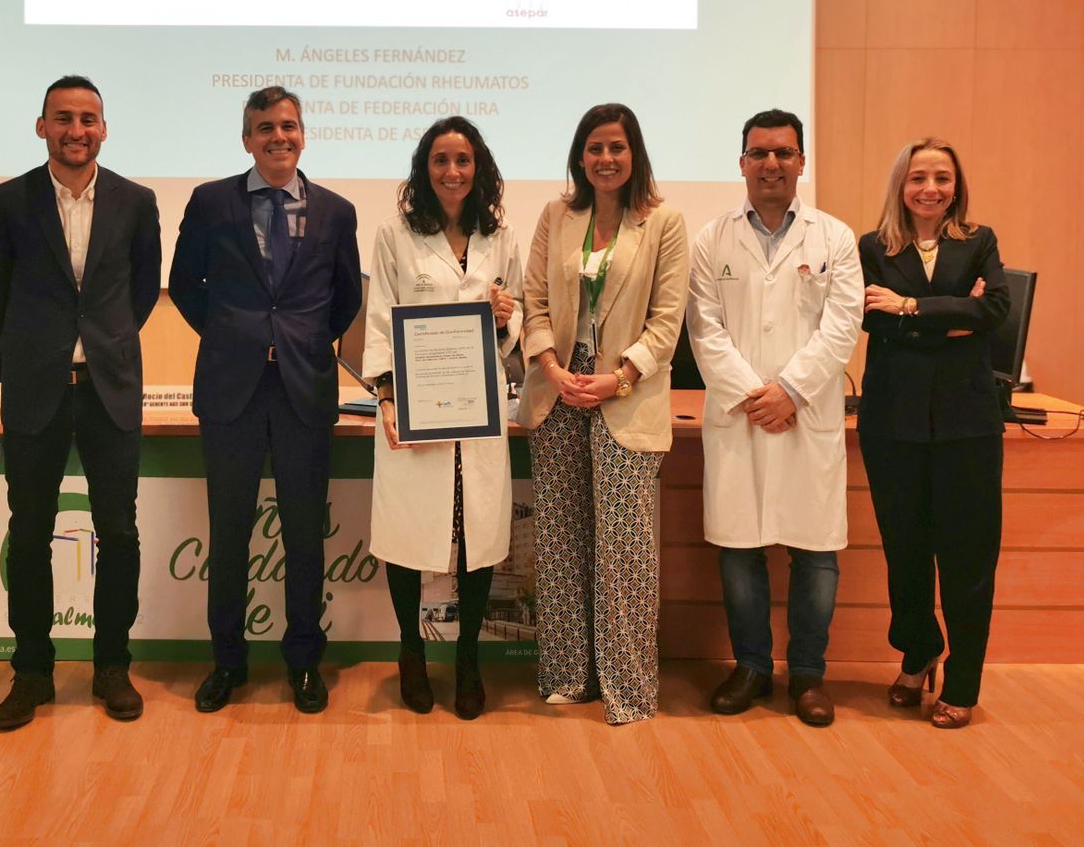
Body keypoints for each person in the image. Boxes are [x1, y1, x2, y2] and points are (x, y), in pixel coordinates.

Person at [0, 75, 162, 731]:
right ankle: (32, 672)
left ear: (103, 129)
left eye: (88, 119)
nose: (76, 130)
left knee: (120, 533)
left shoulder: (137, 203)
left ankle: (112, 666)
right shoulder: (6, 202)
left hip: (108, 390)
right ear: (41, 126)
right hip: (36, 392)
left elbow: (138, 296)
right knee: (28, 535)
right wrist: (42, 350)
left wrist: (98, 345)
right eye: (63, 118)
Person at [169, 85, 362, 714]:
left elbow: (345, 300)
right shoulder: (210, 202)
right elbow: (184, 285)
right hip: (232, 390)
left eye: (288, 126)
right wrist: (237, 337)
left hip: (305, 390)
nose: (278, 137)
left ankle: (304, 662)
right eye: (264, 128)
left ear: (303, 134)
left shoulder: (336, 211)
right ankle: (228, 661)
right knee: (229, 533)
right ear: (246, 138)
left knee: (306, 534)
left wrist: (298, 341)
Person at [687, 108, 862, 727]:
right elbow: (704, 330)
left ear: (801, 163)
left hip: (804, 415)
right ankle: (753, 667)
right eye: (759, 153)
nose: (771, 164)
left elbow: (842, 329)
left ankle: (809, 676)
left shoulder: (835, 238)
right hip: (741, 418)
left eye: (784, 153)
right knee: (740, 548)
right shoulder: (711, 240)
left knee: (815, 552)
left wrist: (789, 390)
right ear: (741, 163)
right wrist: (753, 394)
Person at [520, 103, 687, 725]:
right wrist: (553, 367)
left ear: (634, 153)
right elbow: (534, 301)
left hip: (627, 394)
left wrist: (618, 378)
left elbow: (668, 321)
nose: (606, 159)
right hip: (559, 390)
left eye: (617, 147)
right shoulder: (556, 216)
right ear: (579, 156)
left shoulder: (664, 221)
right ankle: (567, 674)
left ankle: (629, 688)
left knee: (624, 548)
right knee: (561, 538)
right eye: (594, 148)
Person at [363, 118, 522, 720]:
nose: (451, 171)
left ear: (478, 166)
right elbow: (381, 317)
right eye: (439, 160)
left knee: (477, 539)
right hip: (415, 409)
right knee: (409, 534)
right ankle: (410, 653)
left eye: (462, 159)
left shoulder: (499, 235)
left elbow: (520, 320)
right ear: (423, 168)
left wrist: (505, 315)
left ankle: (468, 662)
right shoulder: (395, 233)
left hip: (477, 411)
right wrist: (385, 399)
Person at [857, 137, 1011, 729]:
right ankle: (919, 650)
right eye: (919, 177)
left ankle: (964, 683)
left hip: (965, 424)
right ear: (901, 185)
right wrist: (953, 315)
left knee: (969, 558)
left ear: (956, 186)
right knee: (907, 552)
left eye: (942, 178)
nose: (931, 189)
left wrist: (911, 309)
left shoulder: (979, 240)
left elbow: (994, 310)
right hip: (892, 422)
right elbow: (868, 314)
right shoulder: (873, 247)